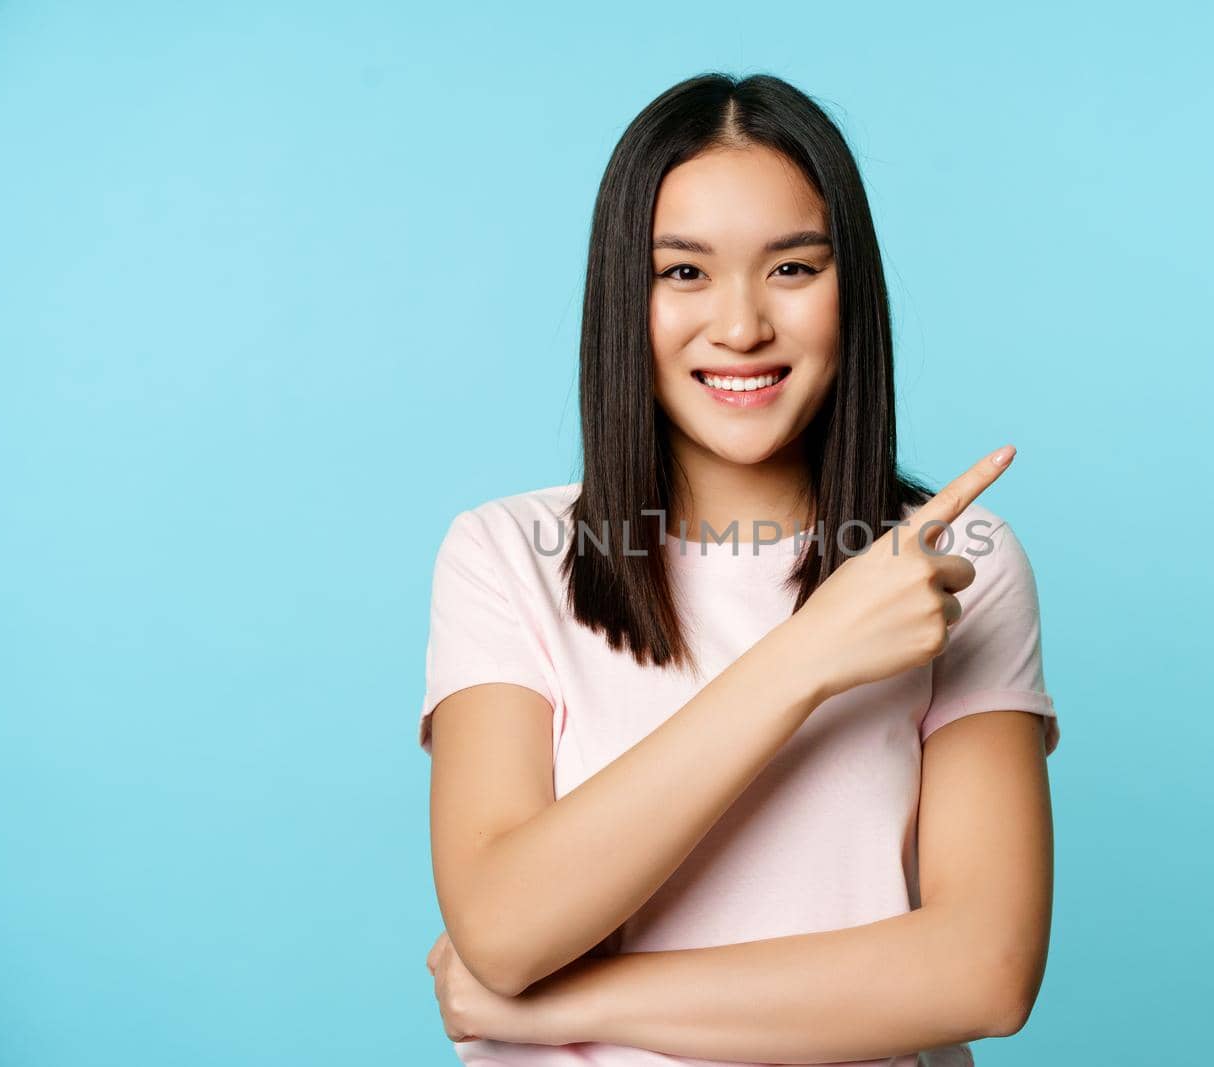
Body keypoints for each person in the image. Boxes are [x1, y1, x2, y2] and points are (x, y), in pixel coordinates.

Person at [419, 71, 1060, 1067]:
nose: (741, 326)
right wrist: (807, 655)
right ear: (622, 296)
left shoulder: (953, 566)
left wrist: (553, 1007)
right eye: (682, 273)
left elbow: (985, 968)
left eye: (793, 269)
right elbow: (502, 926)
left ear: (853, 291)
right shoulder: (508, 554)